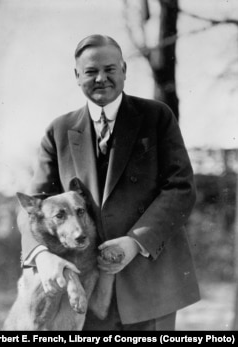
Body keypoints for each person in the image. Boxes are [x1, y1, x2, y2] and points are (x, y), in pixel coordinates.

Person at [20, 34, 200, 330]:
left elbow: (181, 189)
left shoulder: (156, 116)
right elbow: (32, 207)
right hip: (84, 286)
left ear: (124, 70)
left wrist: (135, 242)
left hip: (151, 282)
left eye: (110, 69)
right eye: (90, 72)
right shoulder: (59, 130)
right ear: (77, 77)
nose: (101, 78)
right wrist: (40, 256)